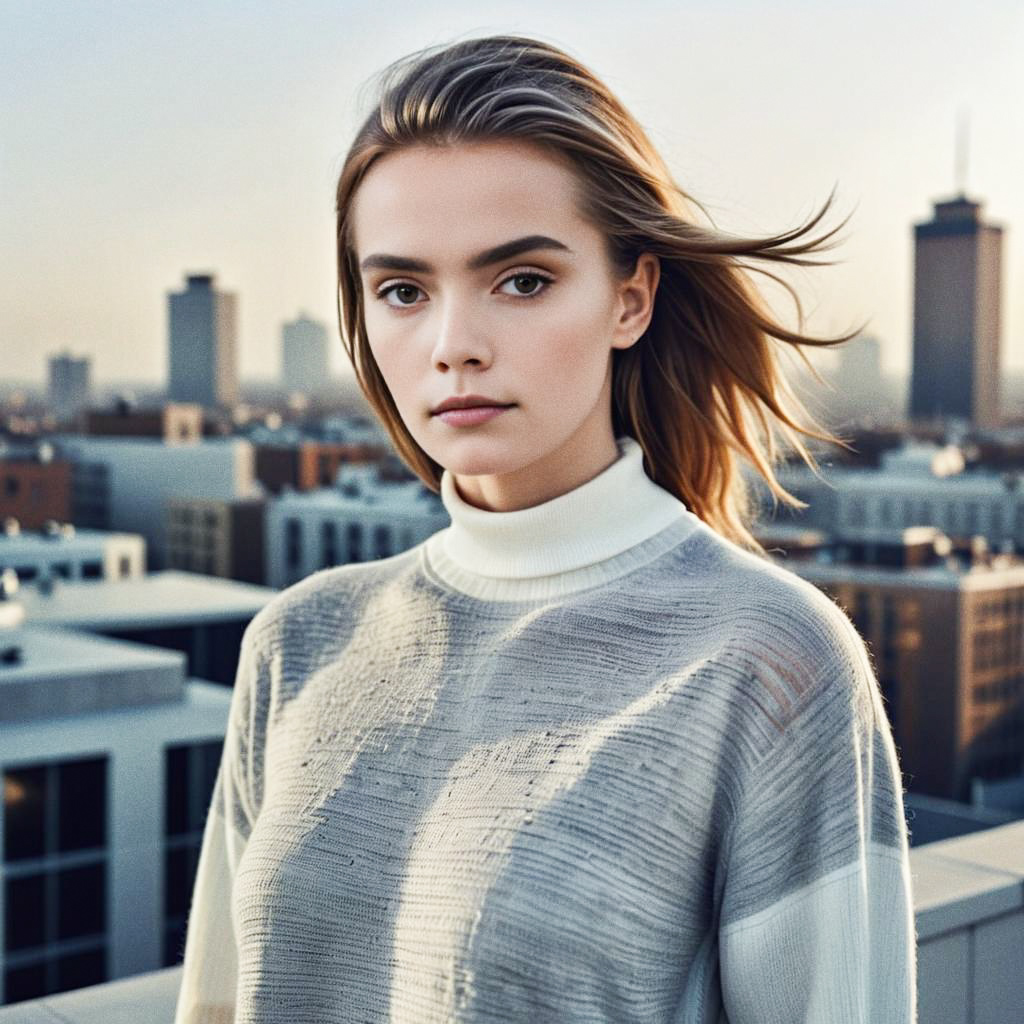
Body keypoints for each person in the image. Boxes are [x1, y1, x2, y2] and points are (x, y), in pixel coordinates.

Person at [173, 34, 918, 1024]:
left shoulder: (767, 661)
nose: (452, 347)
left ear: (630, 296)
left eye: (520, 279)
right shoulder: (300, 641)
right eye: (402, 290)